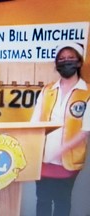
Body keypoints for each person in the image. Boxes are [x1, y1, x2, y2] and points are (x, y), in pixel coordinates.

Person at [31, 42, 90, 216]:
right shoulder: (47, 90)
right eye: (62, 59)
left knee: (62, 202)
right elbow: (35, 122)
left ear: (79, 62)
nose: (66, 62)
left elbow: (86, 130)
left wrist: (62, 150)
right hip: (44, 159)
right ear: (57, 64)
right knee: (42, 200)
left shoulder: (86, 92)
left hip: (68, 161)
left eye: (71, 58)